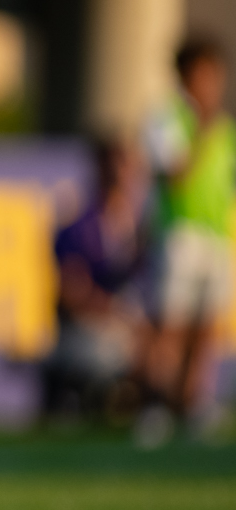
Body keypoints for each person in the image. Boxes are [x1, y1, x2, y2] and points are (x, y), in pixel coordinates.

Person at [138, 33, 233, 441]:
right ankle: (157, 406)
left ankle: (192, 403)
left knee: (205, 330)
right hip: (180, 235)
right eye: (202, 74)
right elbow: (176, 176)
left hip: (218, 236)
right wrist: (200, 130)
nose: (211, 84)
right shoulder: (168, 120)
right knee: (171, 327)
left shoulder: (226, 129)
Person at [44, 137, 148, 420]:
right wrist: (115, 312)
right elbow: (70, 292)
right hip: (87, 330)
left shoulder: (137, 226)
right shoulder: (80, 227)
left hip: (128, 327)